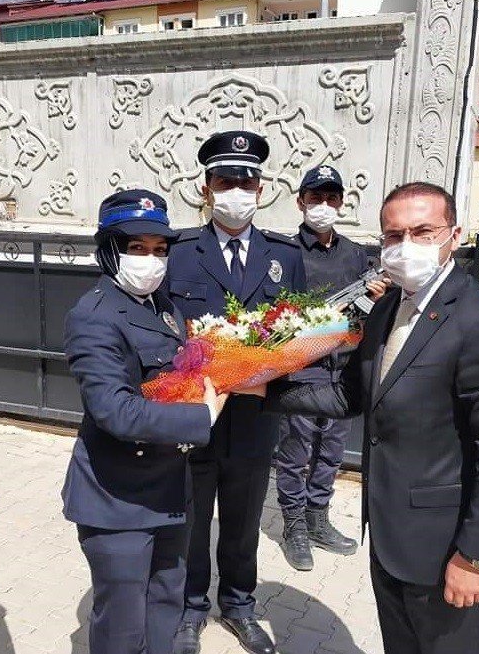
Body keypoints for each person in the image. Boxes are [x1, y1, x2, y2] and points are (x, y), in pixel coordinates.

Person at [266, 182, 479, 654]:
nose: (406, 246)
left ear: (455, 235)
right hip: (388, 536)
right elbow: (351, 396)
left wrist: (475, 557)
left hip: (444, 549)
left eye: (423, 231)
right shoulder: (388, 306)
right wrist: (267, 388)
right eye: (393, 235)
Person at [61, 189, 228, 654]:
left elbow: (175, 377)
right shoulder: (93, 317)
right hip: (117, 500)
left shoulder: (164, 307)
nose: (151, 260)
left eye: (159, 250)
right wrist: (201, 415)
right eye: (137, 248)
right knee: (122, 623)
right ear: (110, 249)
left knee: (166, 604)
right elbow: (114, 410)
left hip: (170, 488)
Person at [166, 131, 306, 654]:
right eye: (226, 181)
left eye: (247, 181)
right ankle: (190, 607)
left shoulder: (283, 255)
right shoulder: (178, 253)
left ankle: (241, 605)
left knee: (244, 516)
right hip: (194, 415)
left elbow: (296, 331)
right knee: (192, 514)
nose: (237, 191)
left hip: (254, 415)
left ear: (262, 188)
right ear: (206, 189)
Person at [276, 165, 373, 571]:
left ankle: (319, 518)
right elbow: (274, 315)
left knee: (331, 450)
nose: (324, 206)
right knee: (295, 449)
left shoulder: (355, 254)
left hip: (344, 369)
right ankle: (294, 525)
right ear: (300, 202)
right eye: (315, 198)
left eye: (332, 198)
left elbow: (366, 311)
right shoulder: (282, 252)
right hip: (300, 368)